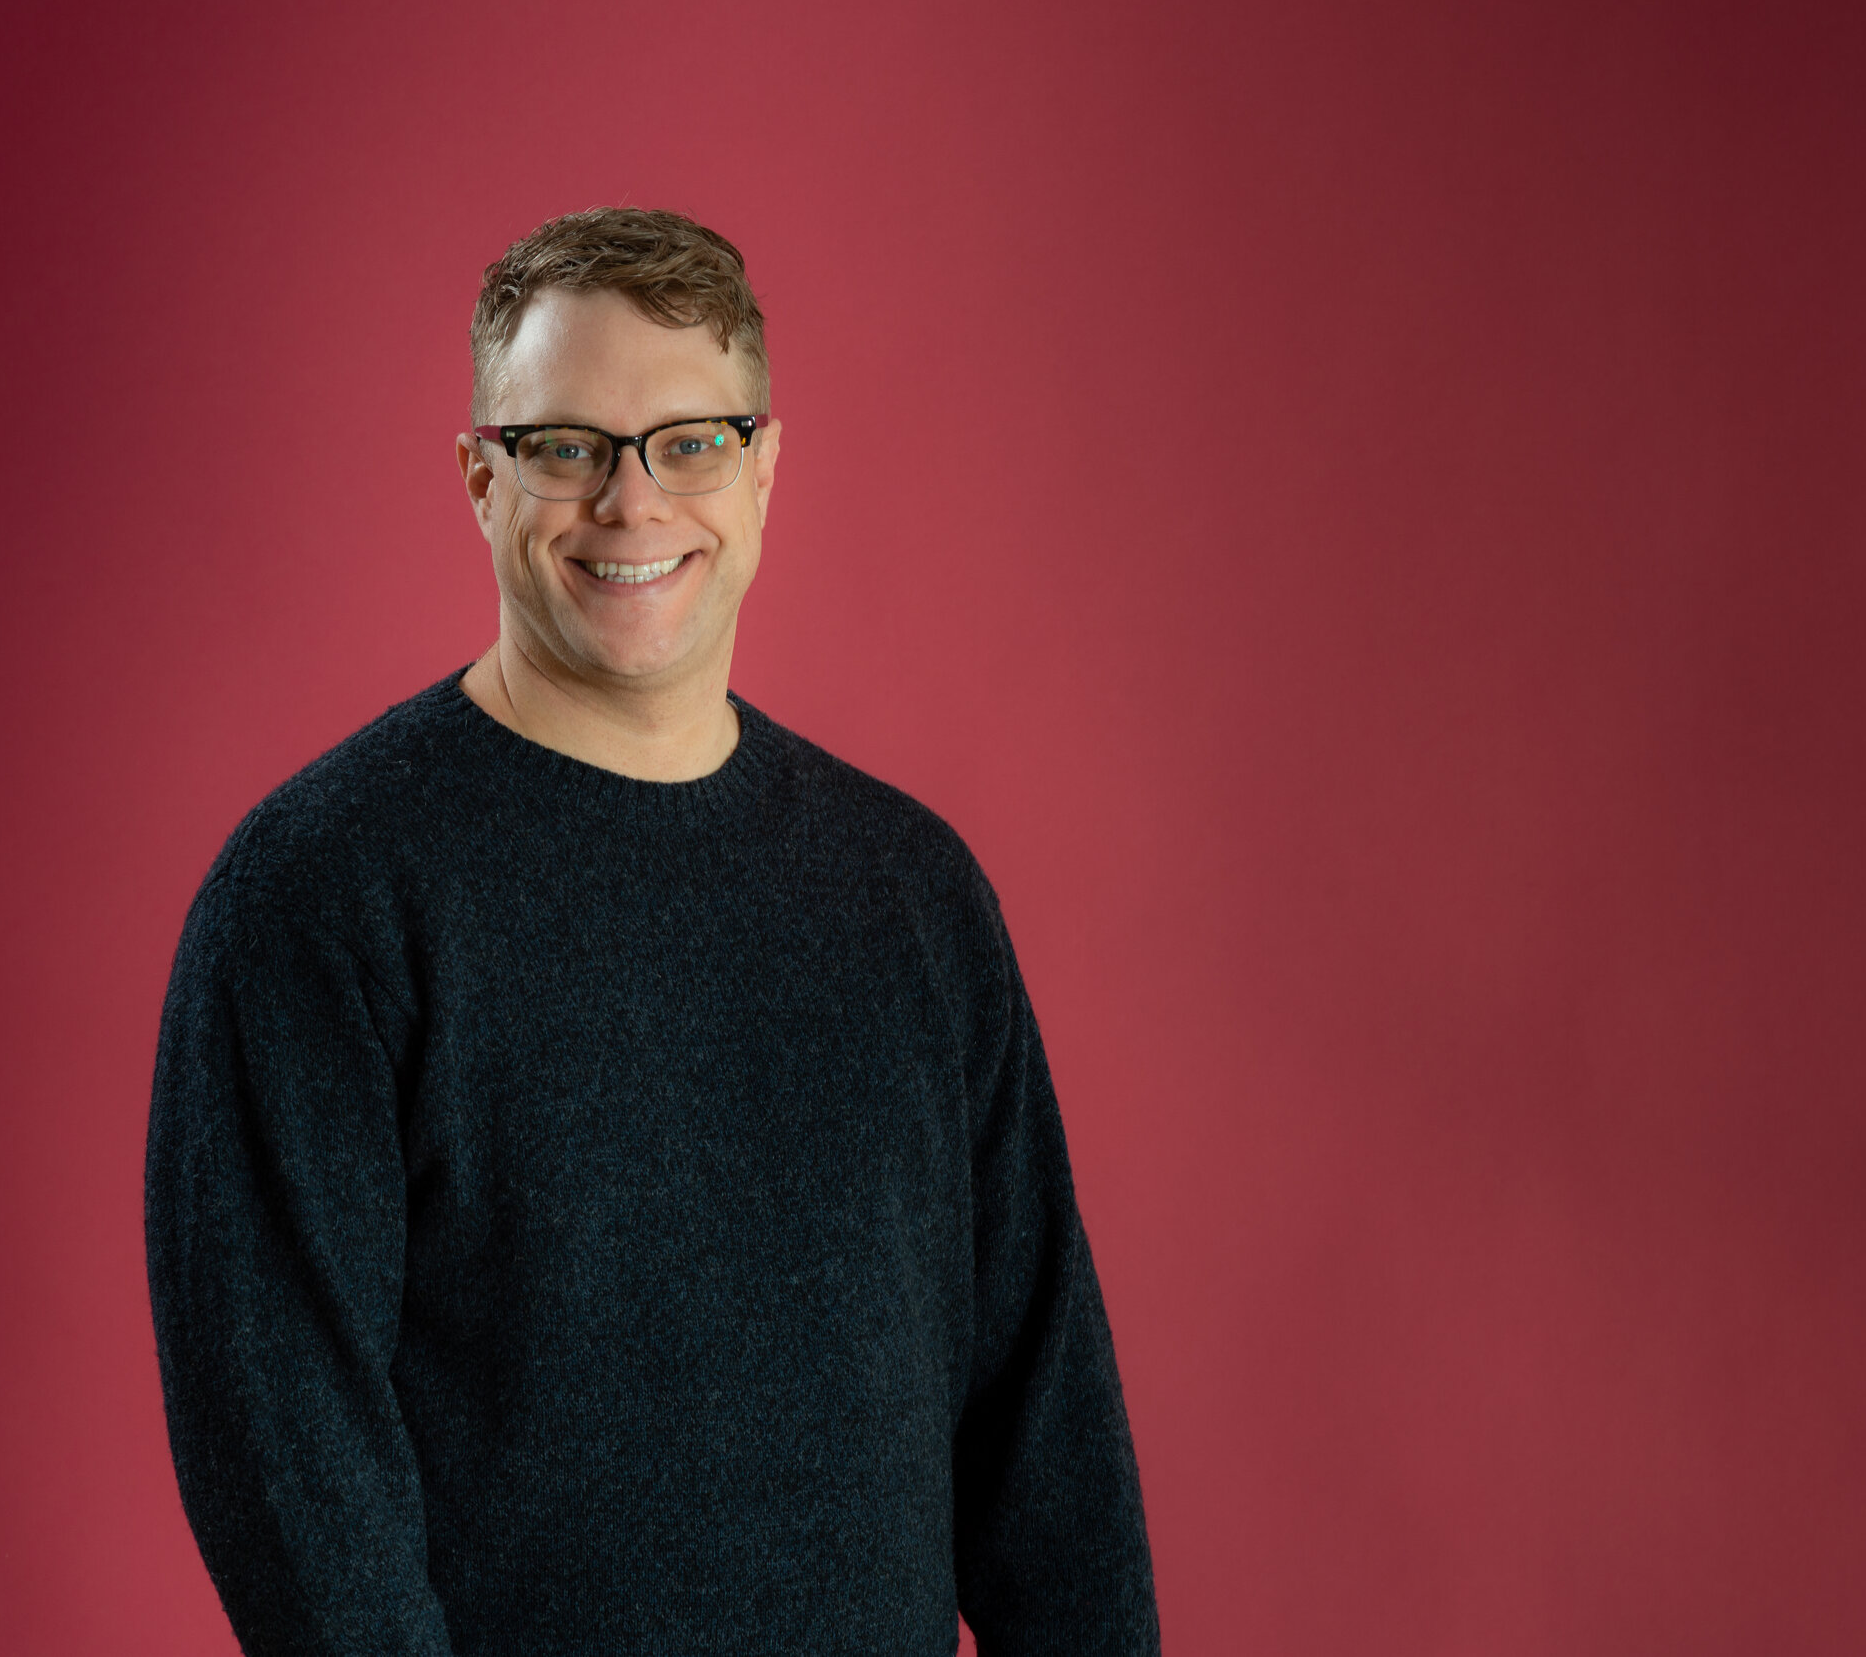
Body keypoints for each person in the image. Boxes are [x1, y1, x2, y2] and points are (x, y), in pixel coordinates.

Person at [144, 206, 1157, 1656]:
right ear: (481, 481)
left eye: (689, 441)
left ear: (763, 472)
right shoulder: (318, 897)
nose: (633, 504)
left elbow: (1044, 1425)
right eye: (566, 447)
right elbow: (287, 1460)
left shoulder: (912, 896)